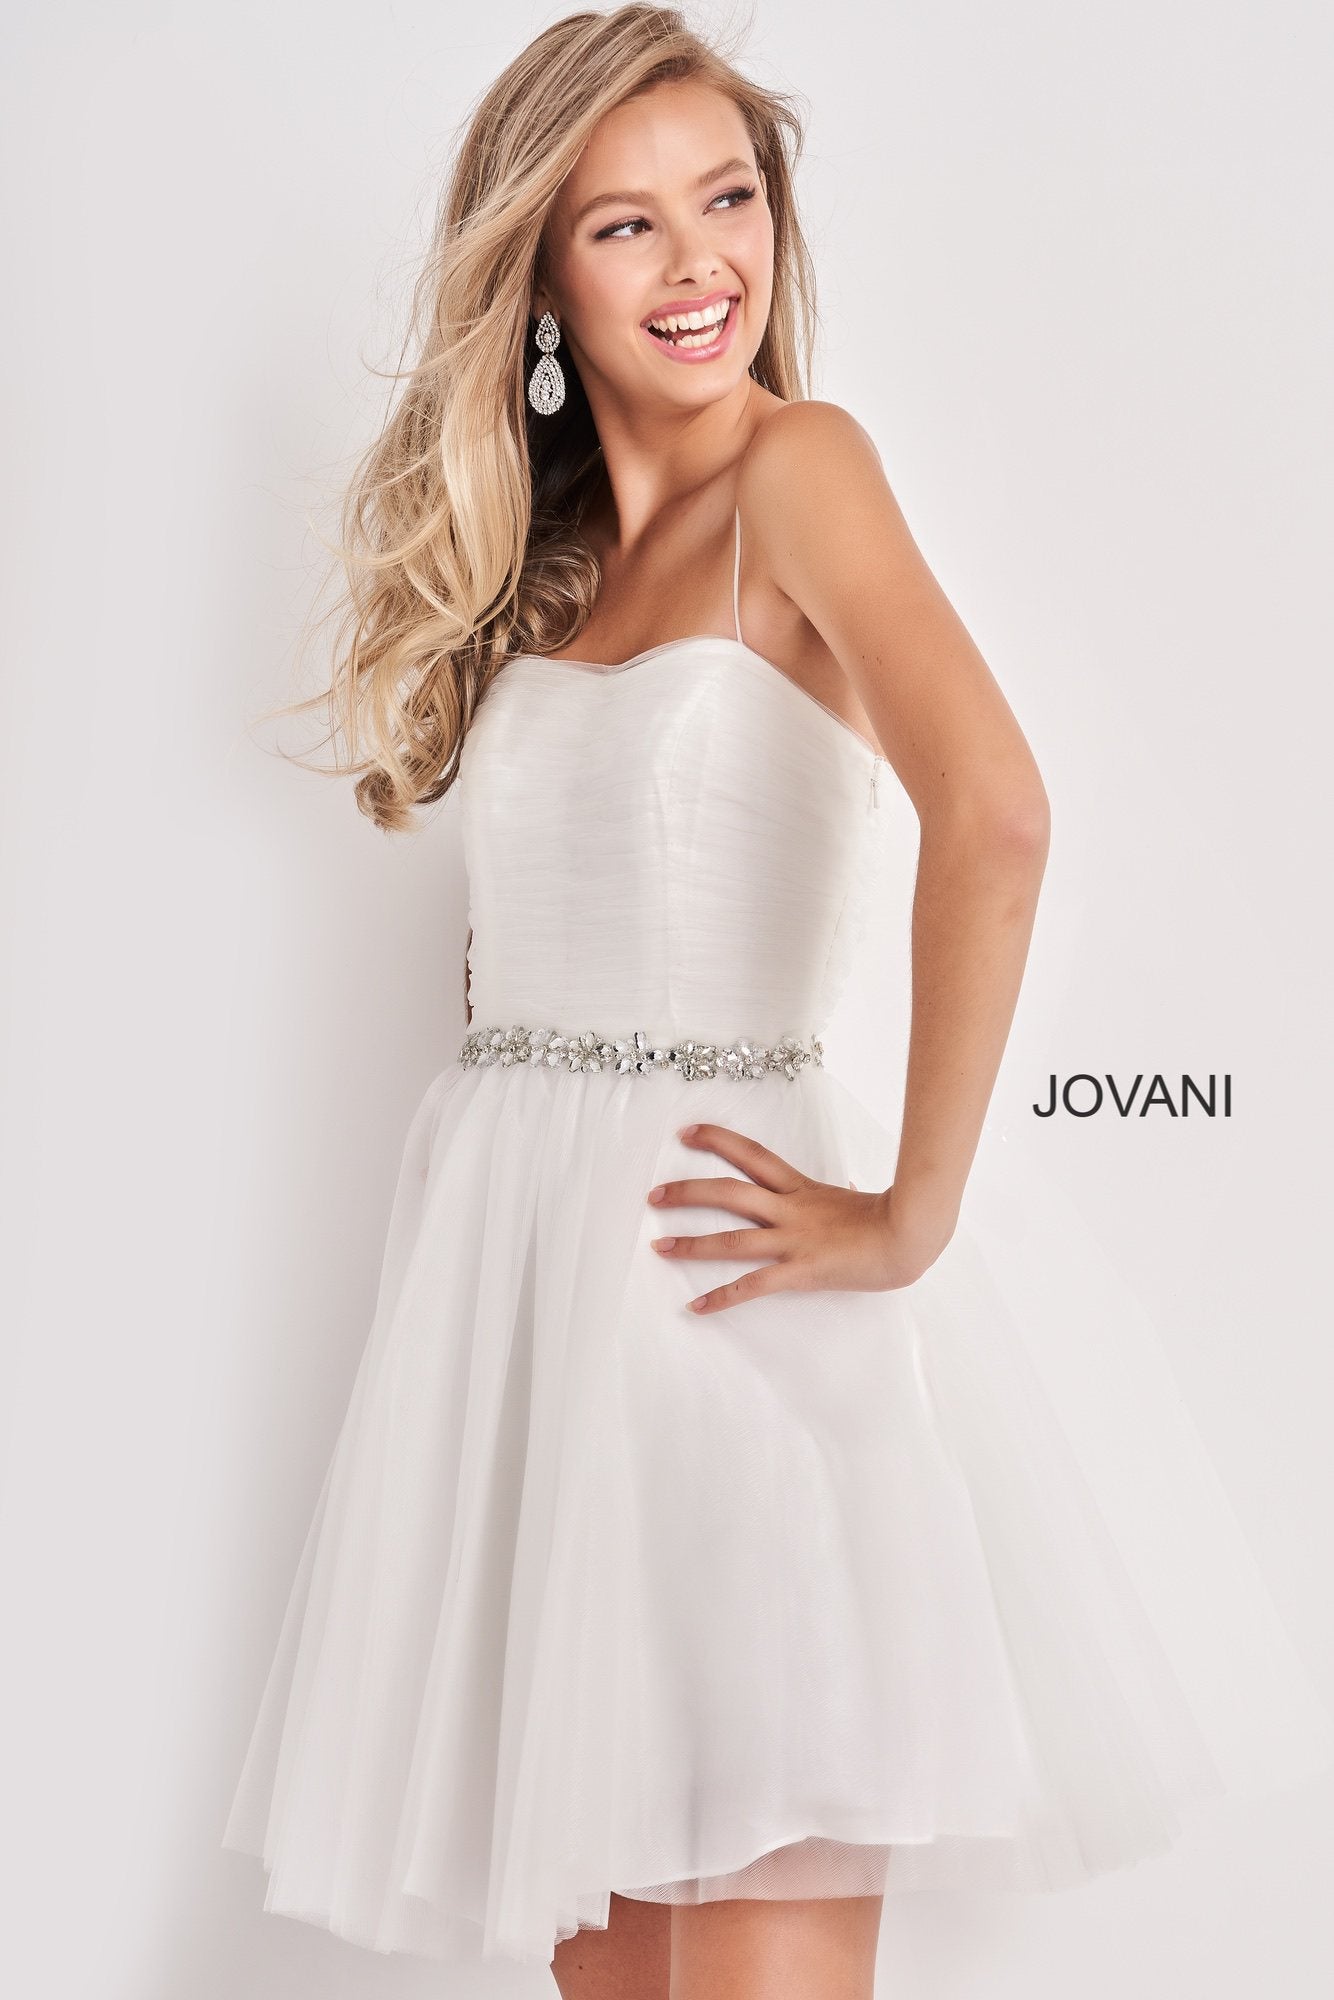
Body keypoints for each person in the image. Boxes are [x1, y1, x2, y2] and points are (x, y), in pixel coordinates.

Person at [222, 10, 1334, 1998]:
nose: (699, 261)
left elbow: (996, 811)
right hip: (539, 1342)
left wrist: (913, 1211)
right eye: (627, 225)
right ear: (540, 281)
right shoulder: (556, 567)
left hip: (730, 1319)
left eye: (726, 199)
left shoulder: (797, 472)